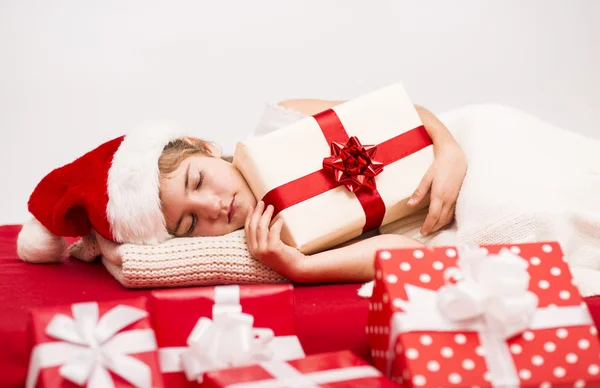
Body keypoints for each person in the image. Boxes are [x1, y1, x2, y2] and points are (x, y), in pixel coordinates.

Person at [16, 99, 467, 285]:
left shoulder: (282, 119)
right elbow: (402, 251)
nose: (214, 207)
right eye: (189, 223)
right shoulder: (278, 234)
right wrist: (300, 268)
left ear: (205, 146)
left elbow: (397, 112)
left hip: (465, 142)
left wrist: (449, 151)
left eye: (197, 180)